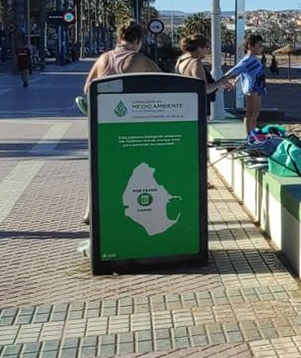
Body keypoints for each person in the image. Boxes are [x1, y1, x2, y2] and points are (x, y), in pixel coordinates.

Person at [81, 21, 162, 225]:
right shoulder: (140, 59)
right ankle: (131, 209)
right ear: (139, 40)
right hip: (128, 124)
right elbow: (165, 84)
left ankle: (90, 211)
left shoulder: (104, 58)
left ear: (119, 38)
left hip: (101, 123)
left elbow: (87, 88)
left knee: (99, 166)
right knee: (131, 168)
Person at [176, 34, 234, 117]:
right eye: (207, 48)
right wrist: (220, 82)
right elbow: (204, 88)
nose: (208, 51)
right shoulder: (195, 63)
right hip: (199, 107)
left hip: (186, 106)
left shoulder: (181, 61)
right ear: (199, 48)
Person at [223, 34, 268, 136]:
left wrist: (235, 82)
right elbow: (235, 70)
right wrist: (223, 80)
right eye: (259, 46)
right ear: (250, 46)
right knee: (250, 113)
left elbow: (242, 73)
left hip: (259, 87)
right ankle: (249, 135)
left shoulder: (255, 59)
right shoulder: (246, 60)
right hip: (251, 88)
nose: (261, 48)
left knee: (256, 112)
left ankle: (253, 131)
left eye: (262, 46)